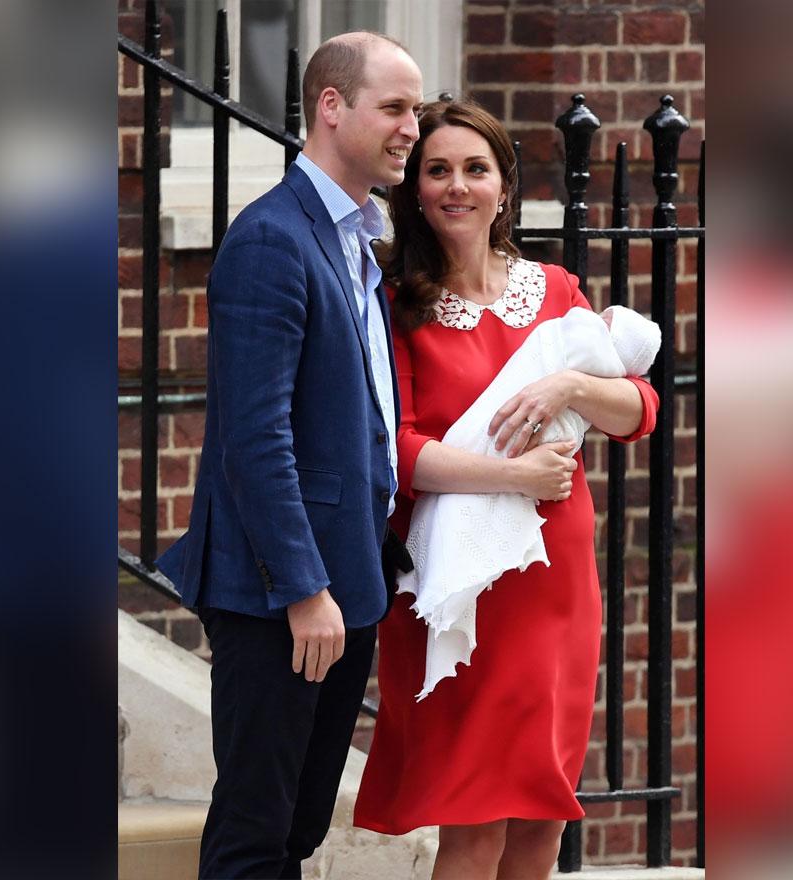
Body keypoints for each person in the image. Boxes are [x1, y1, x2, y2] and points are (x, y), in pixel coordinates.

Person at [351, 100, 660, 880]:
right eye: (438, 170)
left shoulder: (555, 291)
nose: (458, 186)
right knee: (476, 821)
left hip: (555, 584)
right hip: (463, 585)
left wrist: (565, 385)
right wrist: (516, 475)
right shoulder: (397, 304)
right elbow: (397, 450)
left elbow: (639, 410)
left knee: (539, 819)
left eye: (474, 169)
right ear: (415, 189)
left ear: (504, 186)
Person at [153, 32, 422, 880]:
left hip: (349, 583)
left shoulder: (358, 241)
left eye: (416, 109)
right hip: (282, 596)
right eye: (396, 107)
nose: (412, 127)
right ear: (332, 107)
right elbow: (254, 437)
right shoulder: (272, 239)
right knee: (255, 836)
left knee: (299, 827)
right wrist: (305, 590)